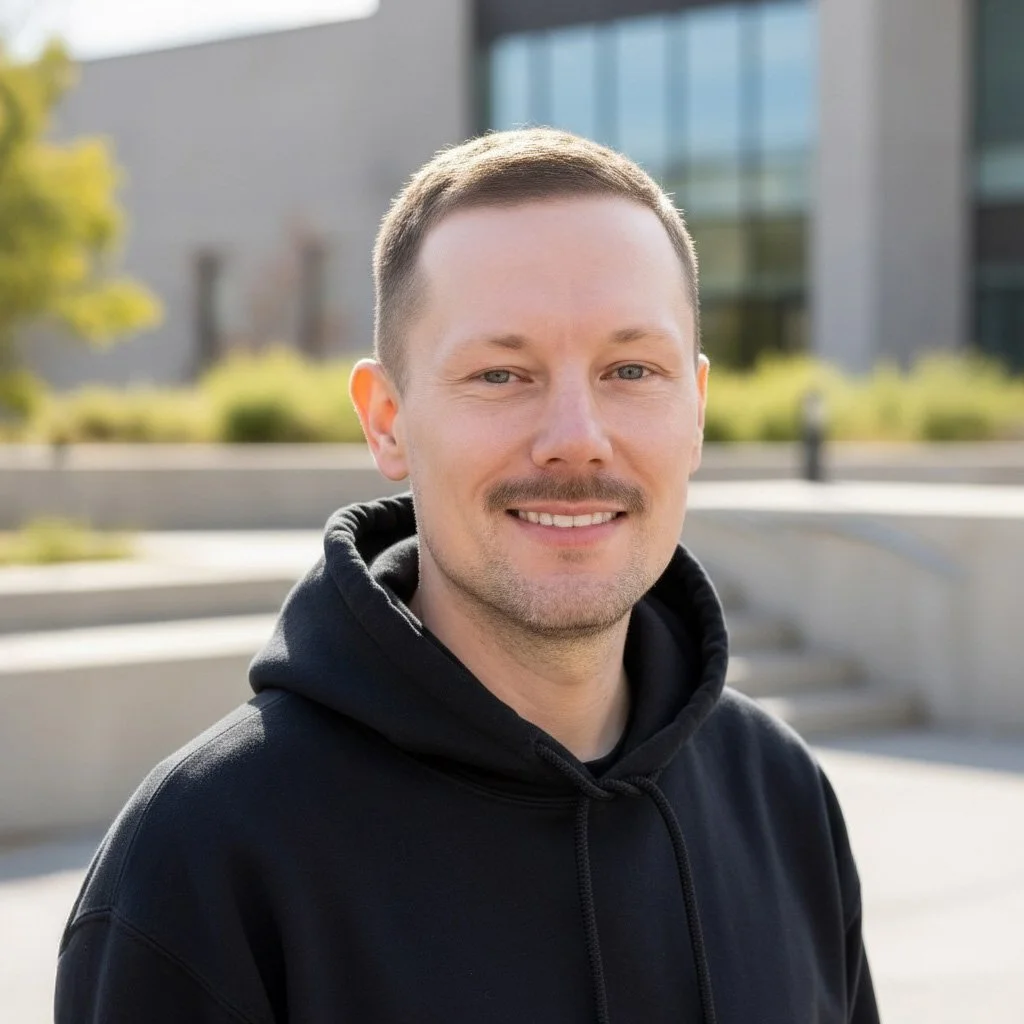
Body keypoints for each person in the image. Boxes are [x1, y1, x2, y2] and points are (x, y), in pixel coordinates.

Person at [56, 128, 879, 1024]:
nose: (577, 435)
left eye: (632, 370)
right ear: (387, 422)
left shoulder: (781, 797)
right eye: (501, 373)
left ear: (697, 411)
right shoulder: (204, 860)